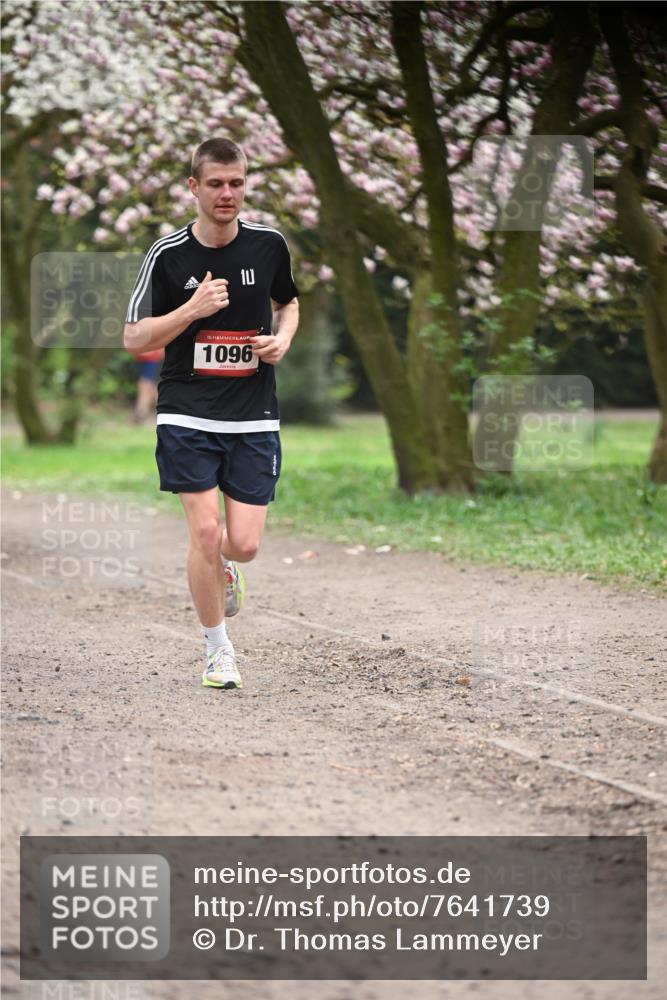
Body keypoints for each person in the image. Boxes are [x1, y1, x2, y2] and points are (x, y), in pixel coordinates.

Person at [123, 137, 299, 690]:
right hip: (187, 411)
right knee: (204, 532)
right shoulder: (168, 254)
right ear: (194, 187)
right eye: (217, 183)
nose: (228, 193)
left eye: (237, 183)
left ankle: (224, 567)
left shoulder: (269, 245)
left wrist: (282, 341)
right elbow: (133, 337)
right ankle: (218, 651)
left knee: (242, 543)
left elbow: (287, 302)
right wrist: (192, 309)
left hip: (252, 415)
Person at [133, 348, 164, 423]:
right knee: (149, 388)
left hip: (152, 360)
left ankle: (141, 414)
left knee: (145, 386)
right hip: (143, 359)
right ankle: (142, 415)